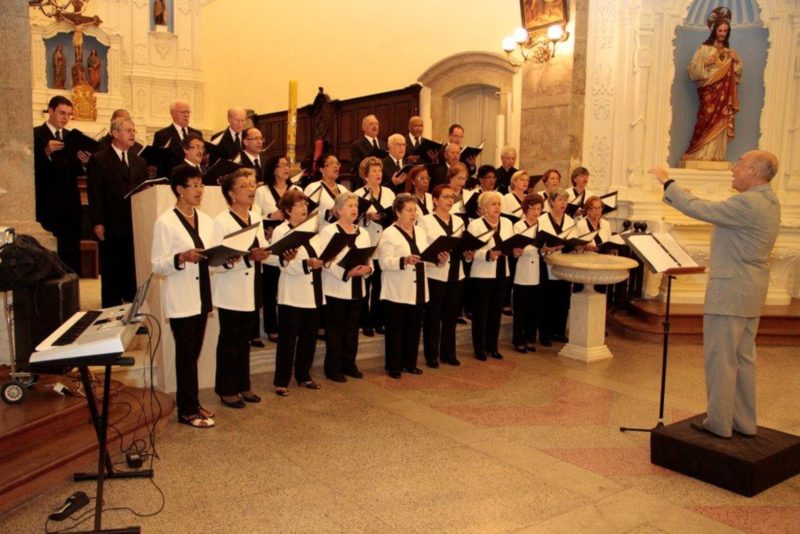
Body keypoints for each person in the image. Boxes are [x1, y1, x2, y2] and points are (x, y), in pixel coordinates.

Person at [650, 150, 780, 439]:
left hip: (731, 290)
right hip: (750, 290)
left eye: (740, 164)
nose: (734, 168)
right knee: (743, 357)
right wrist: (688, 196)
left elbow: (703, 211)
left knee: (721, 357)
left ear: (754, 172)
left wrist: (667, 183)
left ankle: (719, 423)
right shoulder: (769, 200)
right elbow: (714, 211)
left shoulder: (747, 202)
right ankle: (744, 422)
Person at [151, 165, 214, 428]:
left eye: (201, 185)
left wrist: (226, 258)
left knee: (194, 353)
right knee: (186, 355)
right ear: (179, 189)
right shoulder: (165, 222)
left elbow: (211, 256)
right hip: (181, 297)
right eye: (194, 186)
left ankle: (192, 402)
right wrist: (181, 257)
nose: (199, 191)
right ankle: (187, 410)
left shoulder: (206, 220)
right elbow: (157, 264)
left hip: (201, 295)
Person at [212, 169, 270, 409]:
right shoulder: (221, 221)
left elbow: (263, 247)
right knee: (229, 339)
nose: (251, 190)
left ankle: (243, 384)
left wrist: (269, 251)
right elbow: (215, 262)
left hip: (251, 285)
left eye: (251, 185)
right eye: (244, 186)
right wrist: (246, 258)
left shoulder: (256, 216)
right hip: (230, 289)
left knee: (245, 339)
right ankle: (226, 389)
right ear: (232, 194)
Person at [86, 116, 147, 307]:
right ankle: (110, 314)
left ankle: (132, 311)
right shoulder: (100, 160)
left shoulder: (139, 162)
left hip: (133, 223)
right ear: (114, 133)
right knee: (112, 271)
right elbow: (95, 193)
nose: (132, 133)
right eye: (128, 130)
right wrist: (97, 222)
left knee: (132, 270)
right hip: (111, 223)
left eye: (133, 130)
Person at [272, 189, 323, 396]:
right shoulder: (281, 231)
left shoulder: (312, 230)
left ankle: (304, 375)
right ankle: (281, 381)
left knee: (309, 337)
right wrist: (306, 264)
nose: (304, 208)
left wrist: (321, 261)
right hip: (292, 293)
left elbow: (321, 255)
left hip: (313, 290)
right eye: (299, 205)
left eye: (305, 205)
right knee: (288, 339)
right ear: (287, 210)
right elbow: (283, 263)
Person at [318, 192, 373, 382]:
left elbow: (368, 257)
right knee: (336, 331)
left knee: (352, 329)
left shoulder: (363, 232)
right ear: (339, 210)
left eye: (356, 206)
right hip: (336, 288)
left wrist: (368, 268)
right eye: (350, 206)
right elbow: (325, 261)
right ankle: (332, 368)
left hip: (358, 288)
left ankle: (349, 364)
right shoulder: (329, 231)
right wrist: (346, 273)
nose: (354, 210)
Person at [33, 95, 91, 273]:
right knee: (47, 253)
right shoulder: (35, 134)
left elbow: (76, 171)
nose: (65, 118)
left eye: (69, 114)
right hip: (46, 202)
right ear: (50, 111)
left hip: (70, 202)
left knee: (70, 250)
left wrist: (84, 163)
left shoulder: (71, 137)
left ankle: (70, 290)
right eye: (62, 113)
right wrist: (46, 152)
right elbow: (29, 168)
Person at [378, 194, 432, 378]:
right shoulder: (389, 233)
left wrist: (437, 260)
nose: (413, 214)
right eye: (409, 210)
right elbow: (384, 262)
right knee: (395, 330)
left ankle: (410, 363)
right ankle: (394, 366)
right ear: (398, 212)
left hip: (417, 287)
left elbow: (425, 256)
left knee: (414, 328)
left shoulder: (420, 232)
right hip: (397, 289)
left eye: (415, 210)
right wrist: (404, 260)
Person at [418, 184, 471, 367]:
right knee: (433, 315)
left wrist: (468, 254)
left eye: (451, 197)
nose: (449, 200)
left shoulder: (458, 221)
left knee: (450, 316)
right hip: (436, 273)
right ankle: (431, 355)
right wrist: (436, 256)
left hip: (457, 272)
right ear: (435, 200)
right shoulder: (426, 221)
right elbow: (423, 248)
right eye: (445, 197)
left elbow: (462, 245)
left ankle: (449, 353)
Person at [682, 15, 743, 162]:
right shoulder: (704, 49)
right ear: (714, 31)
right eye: (720, 30)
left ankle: (716, 154)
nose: (722, 34)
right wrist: (706, 62)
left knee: (721, 118)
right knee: (706, 118)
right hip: (708, 92)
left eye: (725, 31)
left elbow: (737, 74)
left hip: (724, 93)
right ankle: (698, 152)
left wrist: (737, 61)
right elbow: (692, 70)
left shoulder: (730, 52)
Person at [254, 155, 301, 343]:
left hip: (293, 238)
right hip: (271, 238)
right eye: (280, 165)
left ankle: (288, 325)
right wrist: (269, 215)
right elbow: (255, 215)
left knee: (289, 284)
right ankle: (271, 327)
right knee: (271, 285)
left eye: (287, 165)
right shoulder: (263, 191)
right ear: (272, 169)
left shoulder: (295, 189)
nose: (285, 168)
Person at [468, 191, 517, 360]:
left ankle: (492, 346)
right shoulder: (475, 225)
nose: (497, 207)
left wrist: (515, 251)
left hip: (503, 271)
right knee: (481, 312)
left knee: (496, 311)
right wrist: (487, 255)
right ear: (483, 208)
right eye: (493, 204)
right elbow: (471, 250)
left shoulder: (507, 223)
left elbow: (510, 245)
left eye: (498, 204)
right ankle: (479, 348)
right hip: (482, 273)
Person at [356, 157, 395, 337]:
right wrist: (367, 218)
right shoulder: (358, 194)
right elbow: (353, 220)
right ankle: (365, 321)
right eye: (373, 171)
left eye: (379, 170)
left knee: (380, 284)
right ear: (365, 175)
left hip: (385, 243)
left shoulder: (389, 193)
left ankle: (379, 319)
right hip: (367, 242)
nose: (378, 174)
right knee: (366, 284)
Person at [538, 188, 576, 345]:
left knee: (563, 301)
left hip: (565, 265)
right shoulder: (542, 220)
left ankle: (559, 331)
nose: (563, 203)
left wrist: (575, 246)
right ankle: (545, 334)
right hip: (547, 264)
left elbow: (573, 239)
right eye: (560, 200)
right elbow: (539, 242)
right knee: (547, 301)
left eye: (565, 200)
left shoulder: (570, 221)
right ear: (551, 202)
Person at [512, 193, 545, 353]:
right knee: (521, 309)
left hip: (537, 270)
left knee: (534, 307)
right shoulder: (519, 226)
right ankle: (518, 339)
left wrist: (546, 249)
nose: (536, 212)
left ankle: (531, 338)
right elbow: (520, 249)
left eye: (539, 209)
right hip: (522, 270)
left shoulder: (542, 226)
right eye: (532, 208)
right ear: (526, 209)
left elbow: (540, 248)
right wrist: (538, 248)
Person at [304, 153, 347, 229]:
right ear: (322, 169)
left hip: (341, 232)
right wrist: (329, 213)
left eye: (337, 163)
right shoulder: (313, 187)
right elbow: (306, 215)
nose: (336, 166)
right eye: (331, 163)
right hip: (321, 233)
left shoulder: (343, 189)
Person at [153, 100, 203, 166]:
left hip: (193, 173)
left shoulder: (197, 134)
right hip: (173, 173)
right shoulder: (162, 135)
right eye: (183, 112)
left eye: (188, 112)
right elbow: (157, 159)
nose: (186, 115)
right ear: (173, 114)